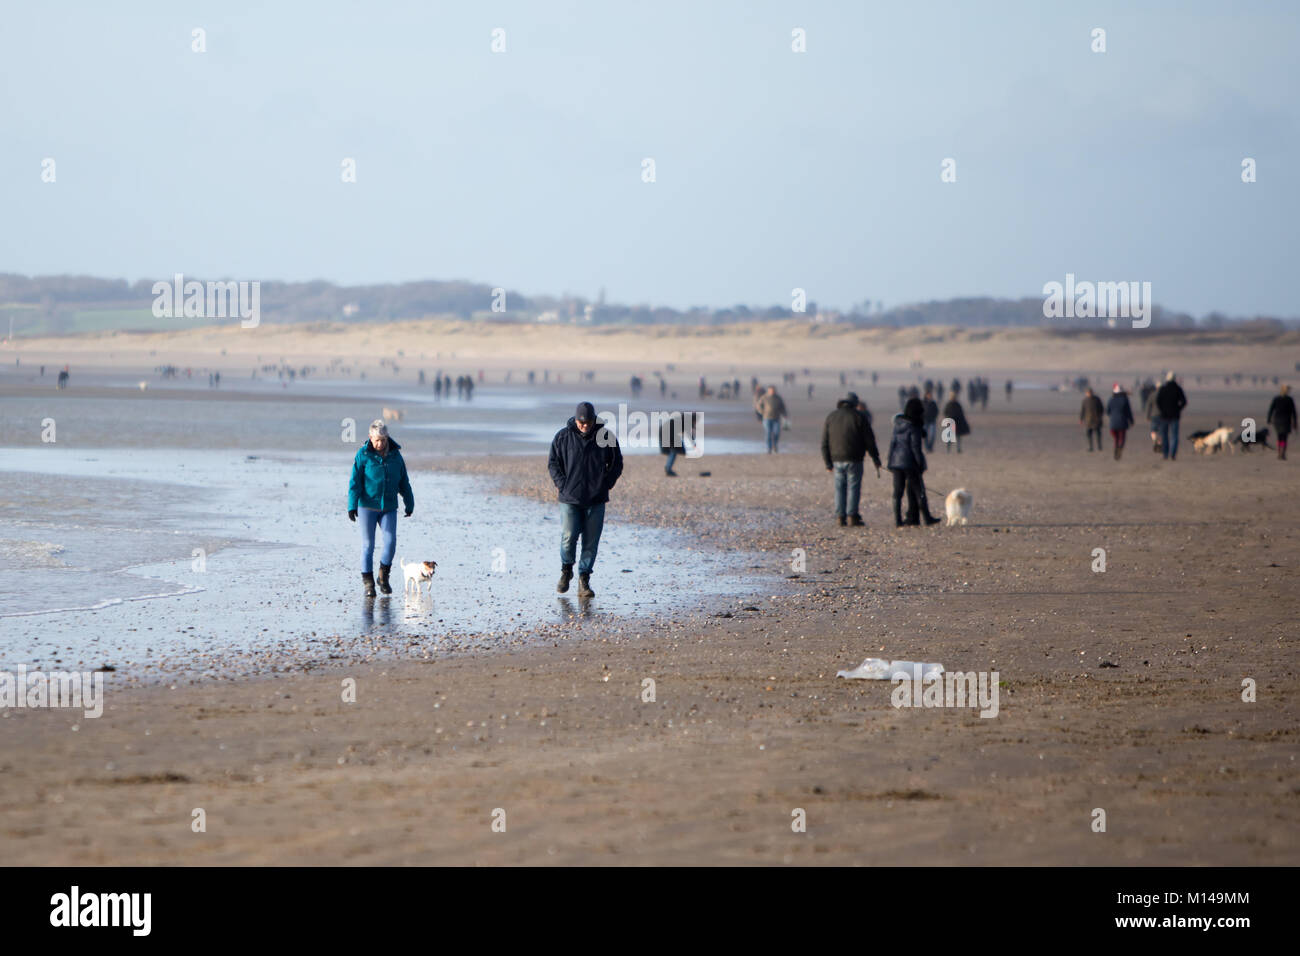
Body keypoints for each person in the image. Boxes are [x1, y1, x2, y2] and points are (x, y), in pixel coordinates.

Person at [548, 402, 623, 597]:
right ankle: (566, 570)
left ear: (593, 420)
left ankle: (584, 580)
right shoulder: (562, 437)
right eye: (581, 423)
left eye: (588, 422)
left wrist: (605, 484)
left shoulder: (606, 437)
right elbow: (553, 463)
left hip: (596, 499)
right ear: (576, 420)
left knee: (591, 543)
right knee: (568, 537)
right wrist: (563, 485)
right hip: (569, 498)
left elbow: (616, 464)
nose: (585, 426)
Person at [347, 420, 414, 597]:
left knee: (390, 542)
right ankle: (368, 583)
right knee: (368, 545)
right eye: (377, 440)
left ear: (387, 438)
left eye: (383, 440)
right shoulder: (363, 455)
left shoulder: (396, 456)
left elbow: (403, 482)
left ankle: (383, 577)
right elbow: (355, 482)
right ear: (370, 438)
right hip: (367, 506)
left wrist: (409, 502)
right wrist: (352, 505)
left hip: (389, 507)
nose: (380, 444)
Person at [821, 392, 881, 527]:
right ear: (854, 403)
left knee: (839, 488)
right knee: (854, 487)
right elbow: (869, 441)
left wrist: (827, 462)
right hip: (855, 458)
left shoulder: (831, 417)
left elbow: (824, 441)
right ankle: (852, 516)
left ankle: (840, 517)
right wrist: (875, 459)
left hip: (836, 459)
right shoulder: (860, 417)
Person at [887, 397, 940, 526]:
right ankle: (927, 518)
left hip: (896, 463)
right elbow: (915, 447)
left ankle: (898, 521)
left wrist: (890, 461)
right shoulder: (914, 426)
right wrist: (920, 463)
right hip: (909, 463)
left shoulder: (898, 425)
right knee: (919, 491)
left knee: (897, 492)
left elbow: (892, 444)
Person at [1154, 371, 1187, 460]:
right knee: (1174, 436)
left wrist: (1162, 410)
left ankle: (1165, 454)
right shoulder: (1178, 389)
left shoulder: (1163, 389)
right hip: (1175, 416)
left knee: (1164, 435)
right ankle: (1172, 453)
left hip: (1164, 416)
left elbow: (1158, 401)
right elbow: (1184, 402)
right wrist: (1178, 409)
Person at [660, 410, 695, 476]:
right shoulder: (685, 422)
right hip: (668, 434)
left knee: (673, 451)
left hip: (665, 432)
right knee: (674, 451)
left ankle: (668, 467)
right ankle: (668, 469)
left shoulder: (682, 420)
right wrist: (693, 444)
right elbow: (689, 434)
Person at [1267, 384, 1296, 460]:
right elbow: (1294, 412)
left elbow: (1271, 410)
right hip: (1286, 421)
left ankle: (1280, 452)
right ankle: (1282, 453)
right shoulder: (1289, 399)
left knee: (1279, 437)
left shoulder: (1276, 399)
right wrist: (1295, 423)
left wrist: (1269, 419)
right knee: (1284, 438)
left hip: (1277, 420)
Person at [754, 385, 787, 453]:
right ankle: (769, 448)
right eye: (771, 390)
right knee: (768, 433)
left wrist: (784, 414)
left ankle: (775, 445)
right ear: (768, 390)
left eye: (773, 390)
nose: (772, 391)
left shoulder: (778, 398)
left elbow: (782, 407)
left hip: (776, 418)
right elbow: (758, 406)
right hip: (766, 418)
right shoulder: (764, 397)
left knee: (777, 432)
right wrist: (762, 413)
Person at [1105, 383, 1134, 460]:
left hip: (1113, 423)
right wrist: (1131, 421)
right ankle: (1120, 448)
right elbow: (1128, 412)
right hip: (1122, 422)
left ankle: (1116, 447)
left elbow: (1107, 411)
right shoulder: (1125, 399)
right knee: (1122, 438)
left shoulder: (1111, 399)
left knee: (1116, 438)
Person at [1080, 387, 1104, 452]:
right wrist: (1081, 419)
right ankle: (1090, 447)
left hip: (1096, 420)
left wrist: (1100, 416)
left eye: (1090, 392)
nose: (1089, 394)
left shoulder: (1097, 399)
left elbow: (1102, 409)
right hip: (1088, 420)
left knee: (1098, 434)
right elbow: (1083, 410)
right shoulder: (1085, 400)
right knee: (1088, 434)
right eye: (1088, 393)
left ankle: (1099, 447)